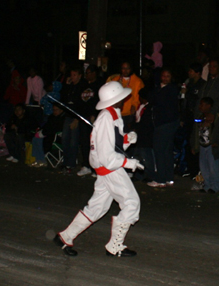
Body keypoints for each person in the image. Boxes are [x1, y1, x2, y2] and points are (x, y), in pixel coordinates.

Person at [53, 81, 144, 257]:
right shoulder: (106, 118)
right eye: (122, 96)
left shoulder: (112, 114)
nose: (125, 98)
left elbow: (113, 146)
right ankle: (115, 246)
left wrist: (127, 140)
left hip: (106, 168)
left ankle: (65, 237)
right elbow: (106, 156)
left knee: (97, 207)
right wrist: (128, 163)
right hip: (109, 168)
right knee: (131, 203)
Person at [148, 68, 180, 187]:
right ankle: (168, 177)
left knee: (159, 150)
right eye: (163, 76)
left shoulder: (170, 89)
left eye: (168, 76)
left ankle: (160, 179)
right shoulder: (160, 88)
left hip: (165, 123)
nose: (165, 78)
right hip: (167, 122)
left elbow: (155, 100)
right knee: (166, 150)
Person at [195, 96, 219, 193]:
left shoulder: (216, 117)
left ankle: (215, 186)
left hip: (211, 145)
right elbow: (196, 131)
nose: (200, 106)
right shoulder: (201, 116)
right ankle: (207, 185)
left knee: (213, 167)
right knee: (204, 166)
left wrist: (217, 142)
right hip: (202, 144)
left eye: (203, 104)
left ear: (209, 106)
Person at [76, 66, 103, 177]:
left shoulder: (99, 86)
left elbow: (99, 102)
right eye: (86, 73)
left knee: (95, 143)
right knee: (84, 142)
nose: (87, 75)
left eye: (89, 72)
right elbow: (78, 101)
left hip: (94, 119)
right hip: (83, 118)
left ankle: (96, 167)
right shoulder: (83, 85)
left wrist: (94, 115)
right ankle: (86, 165)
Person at [106, 61, 144, 130]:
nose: (125, 71)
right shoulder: (115, 80)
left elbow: (138, 97)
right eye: (123, 68)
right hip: (117, 112)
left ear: (131, 69)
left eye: (127, 68)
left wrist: (134, 106)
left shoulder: (137, 81)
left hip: (130, 114)